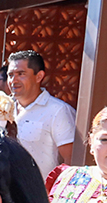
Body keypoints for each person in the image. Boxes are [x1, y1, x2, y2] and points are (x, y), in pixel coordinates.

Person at [7, 50, 77, 178]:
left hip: (41, 195)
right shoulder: (3, 107)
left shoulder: (58, 111)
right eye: (10, 75)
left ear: (39, 76)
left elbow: (71, 160)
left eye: (21, 74)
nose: (13, 80)